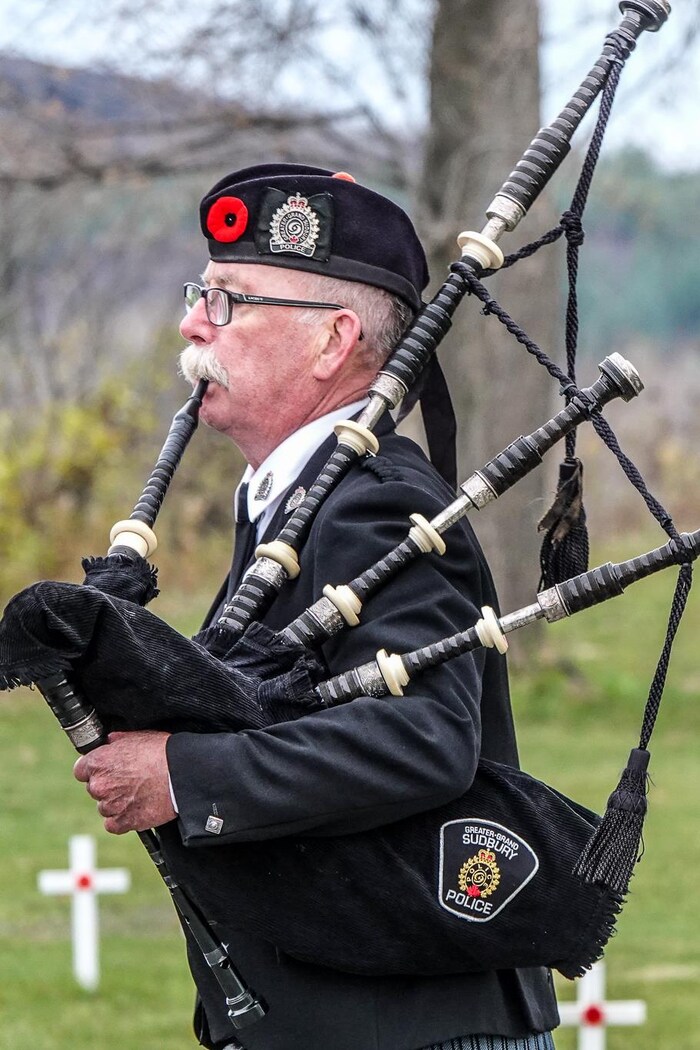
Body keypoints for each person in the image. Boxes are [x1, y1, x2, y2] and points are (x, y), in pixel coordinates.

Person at [73, 163, 559, 1050]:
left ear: (332, 341)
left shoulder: (376, 502)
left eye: (228, 301)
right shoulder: (285, 507)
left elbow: (423, 735)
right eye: (200, 295)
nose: (191, 325)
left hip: (412, 1025)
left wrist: (183, 775)